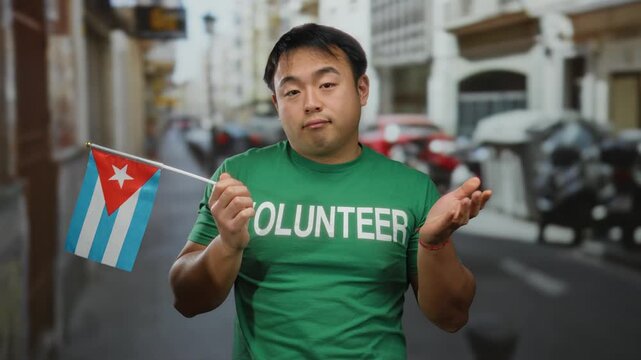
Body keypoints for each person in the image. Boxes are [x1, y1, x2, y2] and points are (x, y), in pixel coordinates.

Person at [169, 23, 492, 359]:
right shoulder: (236, 178)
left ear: (362, 89)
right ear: (276, 102)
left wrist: (434, 243)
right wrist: (227, 243)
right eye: (292, 92)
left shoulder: (411, 188)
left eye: (326, 84)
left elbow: (451, 316)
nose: (311, 103)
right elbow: (186, 299)